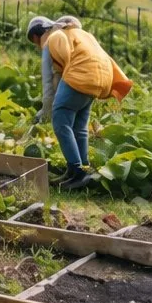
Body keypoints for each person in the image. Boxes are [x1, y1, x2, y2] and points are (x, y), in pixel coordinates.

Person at [27, 15, 133, 190]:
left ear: (37, 37)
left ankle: (77, 172)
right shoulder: (76, 33)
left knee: (61, 120)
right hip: (101, 77)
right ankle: (81, 169)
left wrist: (46, 110)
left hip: (82, 73)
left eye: (35, 42)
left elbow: (48, 82)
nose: (38, 46)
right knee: (79, 126)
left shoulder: (50, 40)